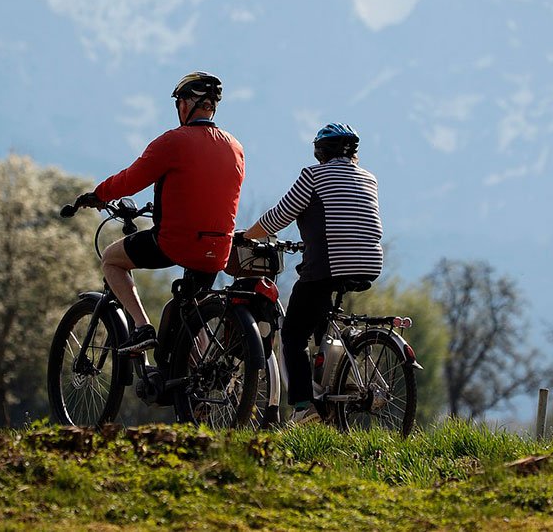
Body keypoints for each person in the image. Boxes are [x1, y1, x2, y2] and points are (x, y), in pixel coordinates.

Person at [72, 71, 245, 353]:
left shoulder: (174, 141)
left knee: (111, 259)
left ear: (186, 105)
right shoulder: (235, 147)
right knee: (189, 312)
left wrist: (98, 194)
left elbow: (132, 179)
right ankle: (195, 386)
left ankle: (142, 327)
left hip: (176, 243)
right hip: (219, 248)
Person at [241, 123, 383, 424]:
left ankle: (305, 406)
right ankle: (337, 379)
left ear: (320, 151)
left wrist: (246, 236)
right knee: (323, 320)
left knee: (293, 334)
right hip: (369, 263)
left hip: (330, 263)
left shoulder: (314, 176)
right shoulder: (369, 179)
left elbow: (279, 215)